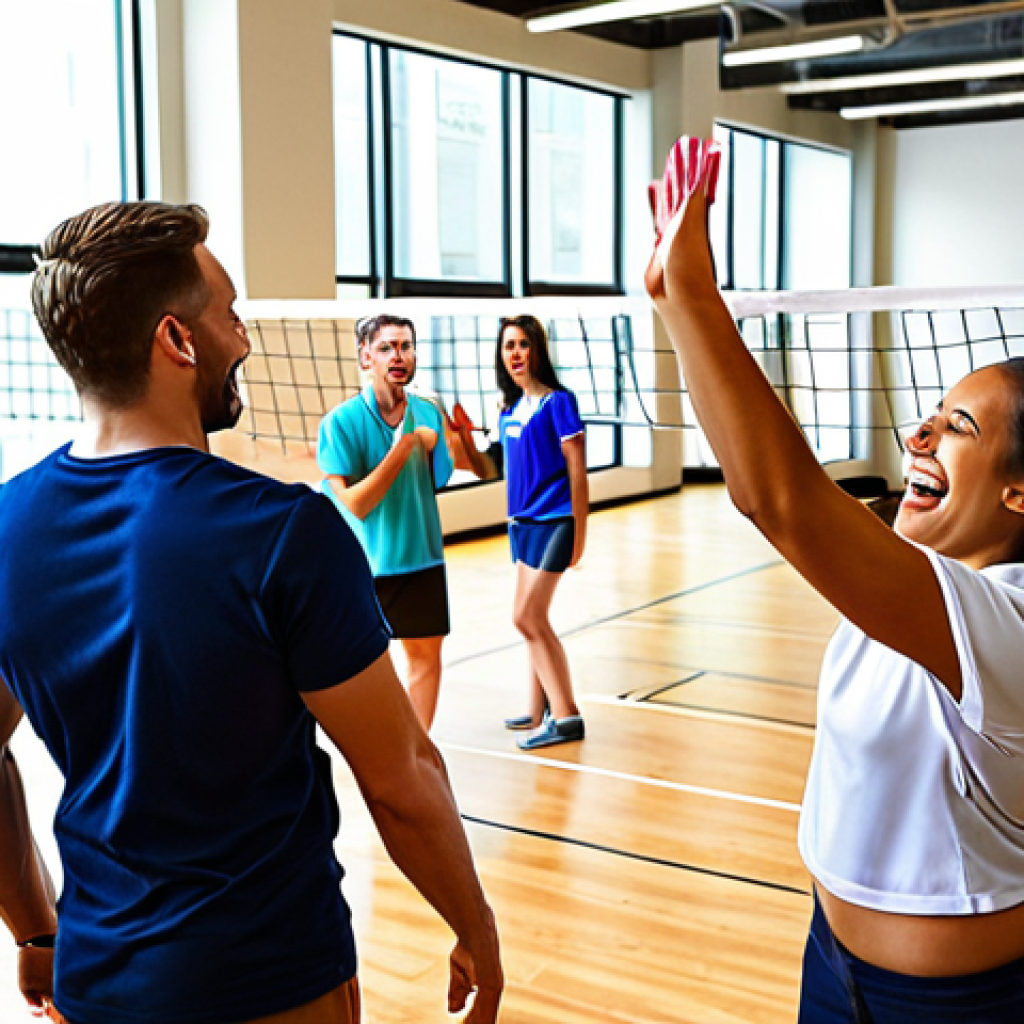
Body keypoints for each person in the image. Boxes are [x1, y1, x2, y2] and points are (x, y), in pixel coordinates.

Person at [0, 201, 502, 1024]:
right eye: (229, 316)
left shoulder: (5, 530)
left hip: (98, 981)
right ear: (176, 340)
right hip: (273, 981)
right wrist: (474, 924)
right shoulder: (284, 534)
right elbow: (402, 778)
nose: (244, 339)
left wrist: (34, 931)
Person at [646, 137, 1024, 1022]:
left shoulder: (1008, 620)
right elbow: (766, 474)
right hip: (829, 964)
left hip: (952, 1004)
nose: (920, 437)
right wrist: (672, 303)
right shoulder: (903, 575)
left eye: (957, 426)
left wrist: (696, 298)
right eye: (925, 419)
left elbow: (777, 497)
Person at [317, 315, 489, 732]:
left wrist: (456, 439)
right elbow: (355, 505)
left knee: (426, 662)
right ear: (365, 357)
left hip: (422, 558)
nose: (399, 355)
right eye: (387, 347)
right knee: (365, 674)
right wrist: (405, 448)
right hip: (365, 568)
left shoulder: (428, 411)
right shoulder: (340, 423)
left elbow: (440, 478)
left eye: (406, 346)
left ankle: (416, 754)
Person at [495, 315, 588, 751]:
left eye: (522, 344)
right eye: (508, 345)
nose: (515, 353)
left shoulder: (559, 403)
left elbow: (577, 471)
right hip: (523, 525)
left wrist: (580, 532)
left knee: (527, 617)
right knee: (532, 620)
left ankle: (566, 716)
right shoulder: (509, 411)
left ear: (537, 350)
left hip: (556, 520)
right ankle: (538, 710)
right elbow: (501, 469)